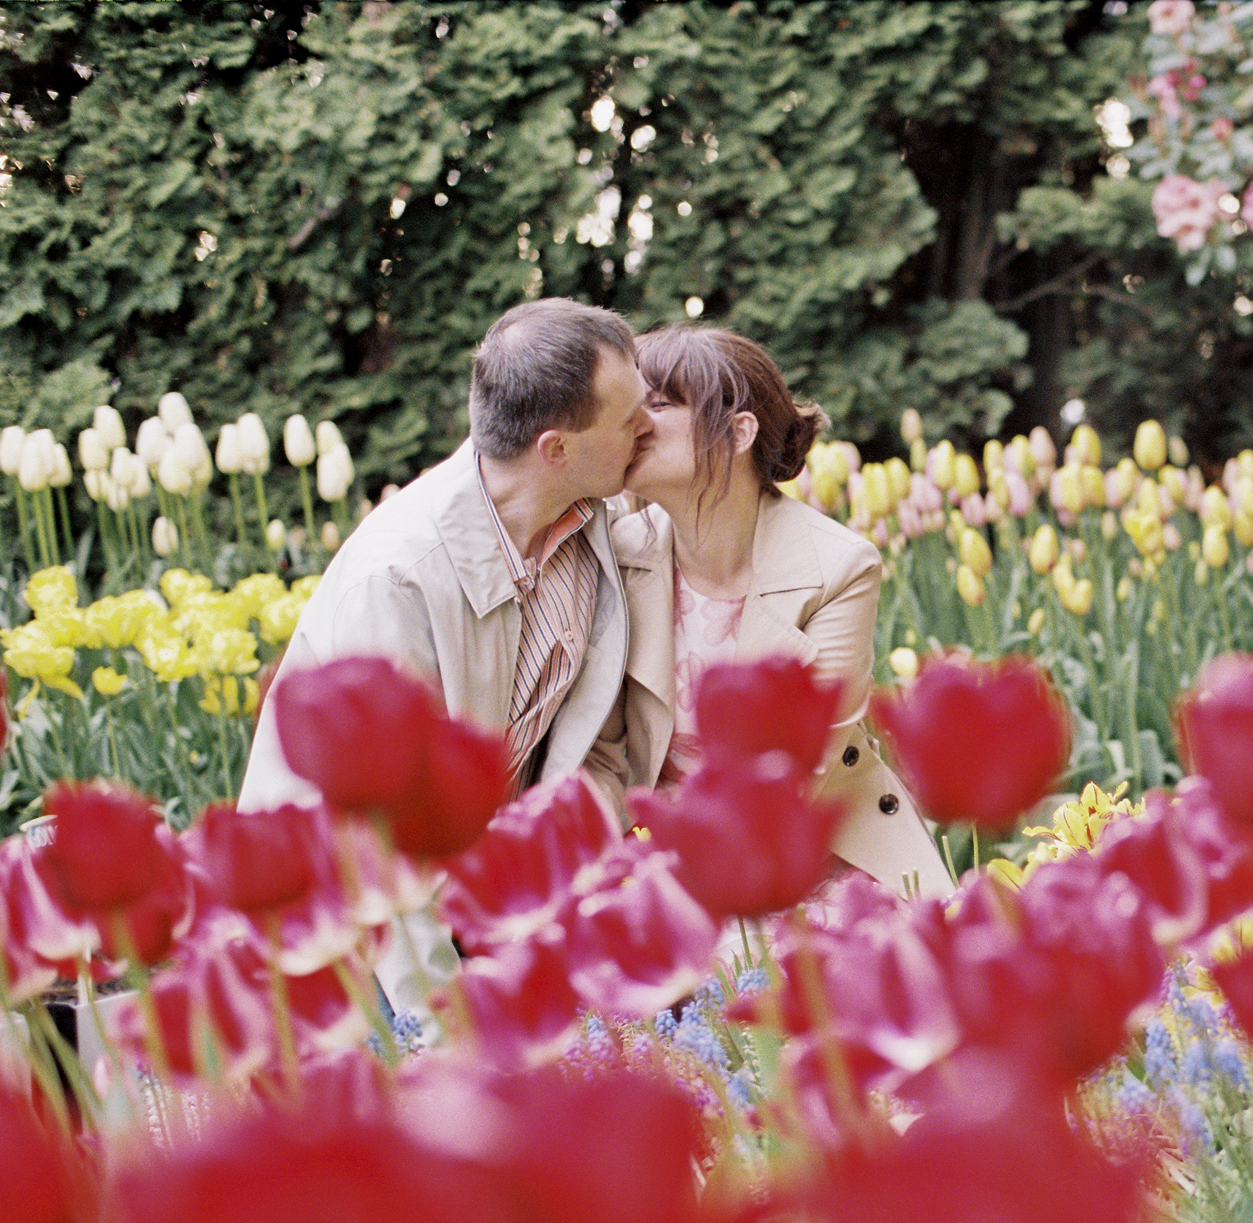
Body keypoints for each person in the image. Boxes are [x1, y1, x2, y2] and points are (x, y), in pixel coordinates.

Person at [239, 297, 650, 1017]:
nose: (647, 427)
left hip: (481, 904)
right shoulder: (396, 578)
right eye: (629, 419)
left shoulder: (588, 522)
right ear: (555, 448)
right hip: (337, 938)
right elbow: (381, 840)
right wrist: (442, 1029)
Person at [594, 323, 952, 896]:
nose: (634, 421)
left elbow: (805, 767)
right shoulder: (615, 553)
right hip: (653, 854)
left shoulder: (839, 566)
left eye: (658, 405)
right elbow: (601, 750)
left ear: (738, 433)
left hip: (806, 853)